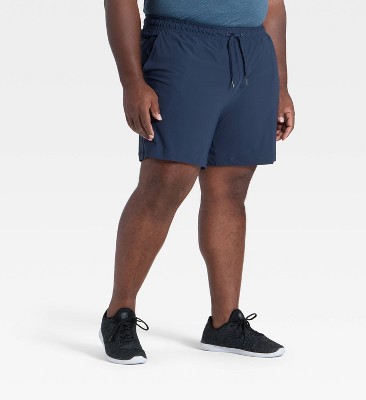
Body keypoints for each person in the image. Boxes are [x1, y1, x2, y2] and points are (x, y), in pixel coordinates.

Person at [99, 0, 295, 364]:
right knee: (166, 181)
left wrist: (281, 86)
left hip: (252, 51)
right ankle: (118, 314)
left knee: (232, 185)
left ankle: (224, 323)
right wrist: (132, 81)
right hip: (180, 45)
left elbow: (274, 5)